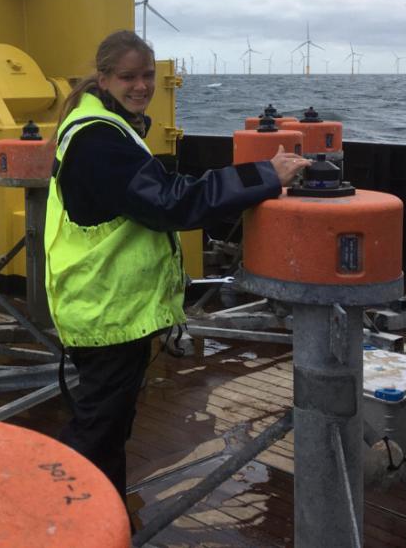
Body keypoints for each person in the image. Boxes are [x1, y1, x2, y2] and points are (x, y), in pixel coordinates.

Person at [44, 29, 309, 496]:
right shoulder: (99, 141)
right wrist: (265, 175)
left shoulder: (104, 127)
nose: (141, 85)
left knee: (106, 428)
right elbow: (170, 202)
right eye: (128, 77)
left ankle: (90, 513)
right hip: (106, 312)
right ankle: (74, 518)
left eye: (148, 75)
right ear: (103, 79)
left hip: (106, 306)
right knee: (97, 435)